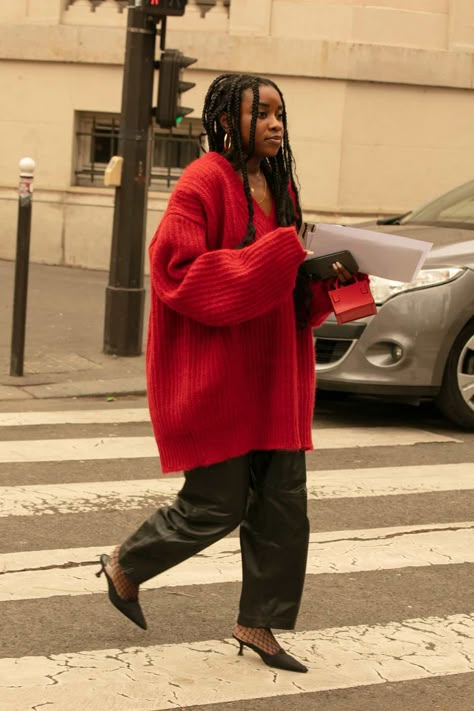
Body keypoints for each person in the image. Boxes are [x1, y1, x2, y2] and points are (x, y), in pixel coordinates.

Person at [97, 73, 354, 674]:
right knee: (215, 505)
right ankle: (125, 564)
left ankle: (257, 622)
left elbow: (286, 280)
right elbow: (179, 274)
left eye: (280, 114)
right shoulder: (202, 181)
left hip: (278, 375)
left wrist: (323, 275)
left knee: (284, 508)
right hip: (219, 376)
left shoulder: (280, 183)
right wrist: (286, 252)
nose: (273, 124)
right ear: (225, 118)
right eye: (260, 112)